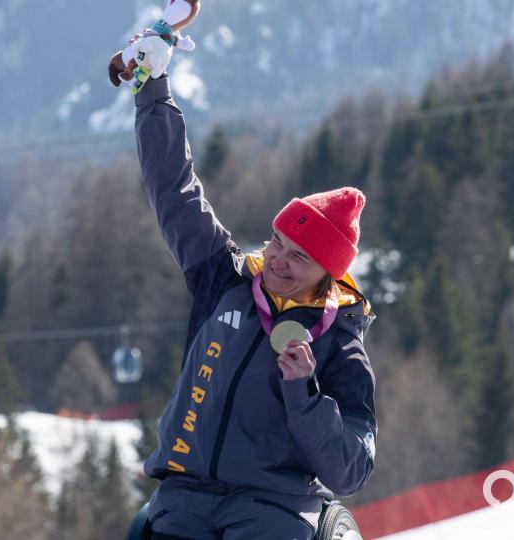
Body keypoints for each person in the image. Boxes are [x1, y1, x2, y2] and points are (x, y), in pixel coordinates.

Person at [133, 73, 377, 539]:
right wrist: (152, 92)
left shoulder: (341, 346)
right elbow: (174, 191)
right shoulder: (224, 278)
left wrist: (304, 393)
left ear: (328, 273)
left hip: (274, 509)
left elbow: (351, 470)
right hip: (184, 498)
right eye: (277, 242)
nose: (278, 261)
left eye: (300, 257)